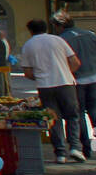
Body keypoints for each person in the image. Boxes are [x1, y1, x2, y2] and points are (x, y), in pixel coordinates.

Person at [20, 18, 83, 163]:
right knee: (73, 116)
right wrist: (67, 72)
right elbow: (75, 62)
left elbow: (28, 73)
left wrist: (42, 76)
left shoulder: (28, 45)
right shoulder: (58, 40)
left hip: (45, 86)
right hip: (65, 82)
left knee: (54, 119)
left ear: (30, 31)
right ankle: (75, 147)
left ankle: (60, 153)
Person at [53, 12, 96, 156]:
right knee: (94, 109)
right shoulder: (90, 35)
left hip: (76, 80)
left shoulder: (62, 39)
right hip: (95, 77)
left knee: (78, 113)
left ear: (59, 26)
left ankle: (85, 147)